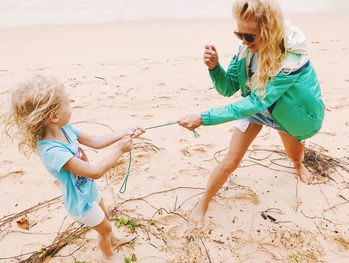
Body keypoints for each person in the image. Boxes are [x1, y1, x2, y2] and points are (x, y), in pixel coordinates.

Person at [178, 0, 325, 228]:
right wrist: (214, 67)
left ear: (268, 32)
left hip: (281, 115)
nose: (244, 42)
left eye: (249, 37)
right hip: (255, 111)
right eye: (239, 35)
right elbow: (228, 89)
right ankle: (203, 203)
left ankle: (298, 166)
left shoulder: (291, 60)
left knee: (296, 155)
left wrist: (204, 118)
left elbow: (258, 100)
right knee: (229, 162)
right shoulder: (246, 49)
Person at [3, 75, 145, 262]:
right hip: (80, 203)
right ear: (53, 116)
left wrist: (124, 133)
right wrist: (119, 150)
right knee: (105, 230)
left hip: (88, 188)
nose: (71, 105)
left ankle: (115, 241)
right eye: (67, 103)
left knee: (106, 215)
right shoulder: (52, 151)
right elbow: (95, 171)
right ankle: (108, 255)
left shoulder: (65, 129)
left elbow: (95, 141)